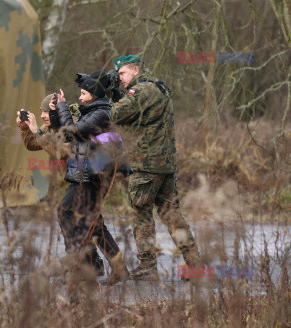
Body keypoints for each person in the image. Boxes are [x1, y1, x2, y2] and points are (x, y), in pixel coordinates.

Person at [110, 55, 199, 280]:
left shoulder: (142, 91)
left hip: (147, 165)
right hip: (165, 164)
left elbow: (115, 114)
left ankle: (148, 267)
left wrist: (104, 96)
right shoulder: (157, 86)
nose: (119, 78)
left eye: (122, 73)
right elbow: (137, 116)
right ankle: (194, 264)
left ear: (136, 69)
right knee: (172, 215)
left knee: (141, 214)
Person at [49, 71, 130, 284]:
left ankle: (81, 267)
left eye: (84, 93)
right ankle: (112, 267)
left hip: (92, 175)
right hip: (83, 174)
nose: (80, 97)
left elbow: (71, 133)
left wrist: (63, 106)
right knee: (93, 223)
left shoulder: (100, 114)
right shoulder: (90, 111)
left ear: (93, 95)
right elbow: (63, 134)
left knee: (67, 212)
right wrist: (56, 113)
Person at [16, 95, 106, 276]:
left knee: (70, 214)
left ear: (56, 111)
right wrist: (25, 128)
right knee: (86, 221)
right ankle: (92, 263)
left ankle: (80, 263)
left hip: (92, 176)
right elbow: (33, 145)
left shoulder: (70, 123)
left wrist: (38, 132)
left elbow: (61, 153)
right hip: (79, 177)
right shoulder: (50, 125)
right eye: (41, 112)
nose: (42, 116)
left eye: (45, 112)